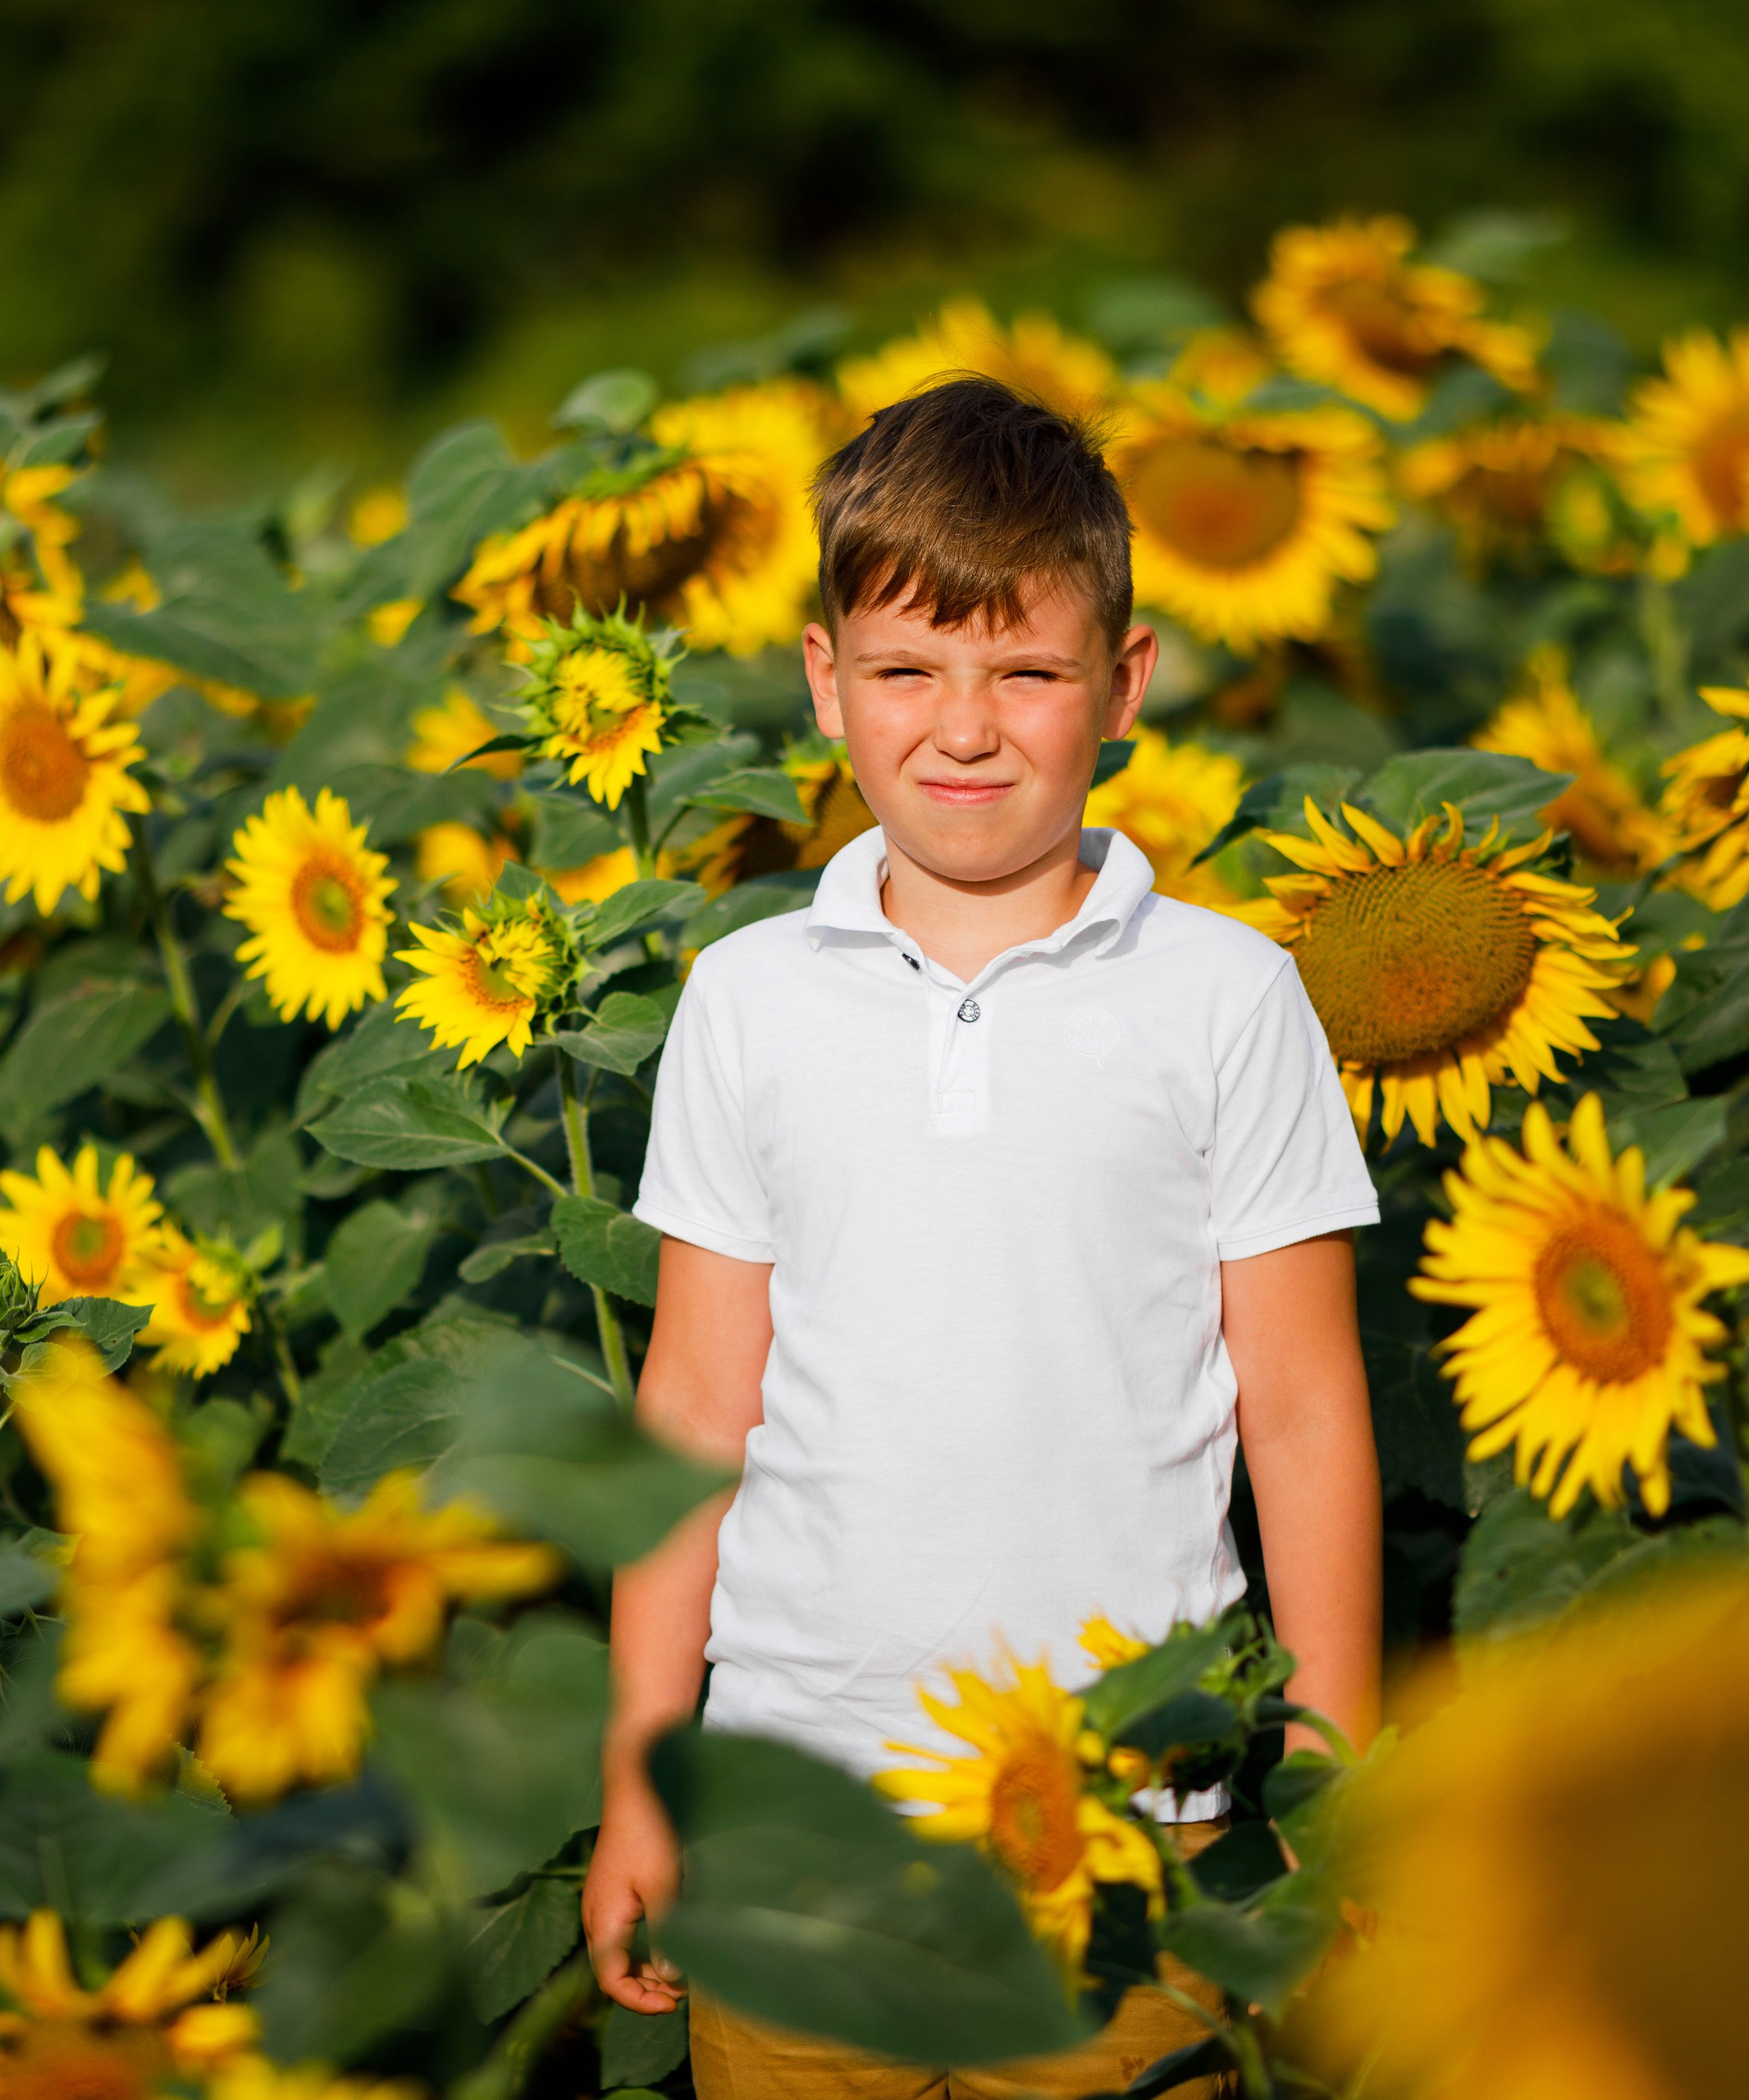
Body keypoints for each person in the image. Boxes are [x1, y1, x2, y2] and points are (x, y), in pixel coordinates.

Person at [581, 376, 1383, 2098]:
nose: (964, 726)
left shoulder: (1222, 996)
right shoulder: (746, 1000)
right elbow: (692, 1407)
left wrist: (1322, 1767)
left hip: (1130, 1822)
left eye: (1023, 670)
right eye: (905, 670)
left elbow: (1302, 1411)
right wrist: (643, 1768)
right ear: (822, 680)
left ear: (1122, 684)